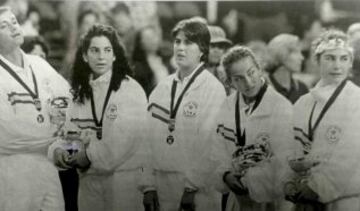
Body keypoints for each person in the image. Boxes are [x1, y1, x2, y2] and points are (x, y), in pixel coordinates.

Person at [51, 24, 153, 211]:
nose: (101, 56)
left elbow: (123, 142)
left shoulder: (130, 90)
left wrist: (88, 156)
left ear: (114, 55)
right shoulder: (80, 95)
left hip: (124, 183)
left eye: (107, 50)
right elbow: (70, 136)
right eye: (95, 50)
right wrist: (62, 151)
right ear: (84, 55)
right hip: (89, 186)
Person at [147, 18, 226, 211]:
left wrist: (191, 188)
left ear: (203, 50)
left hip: (198, 190)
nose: (180, 48)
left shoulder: (213, 89)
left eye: (188, 42)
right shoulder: (162, 88)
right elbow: (145, 140)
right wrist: (147, 185)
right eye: (177, 42)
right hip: (161, 184)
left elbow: (210, 144)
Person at [0, 6, 70, 210]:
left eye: (14, 22)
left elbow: (69, 101)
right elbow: (7, 134)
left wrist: (62, 132)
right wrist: (53, 137)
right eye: (4, 26)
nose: (13, 28)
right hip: (12, 173)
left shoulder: (39, 64)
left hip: (48, 170)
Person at [285, 29, 360, 210]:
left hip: (343, 199)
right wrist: (289, 182)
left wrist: (316, 187)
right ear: (316, 60)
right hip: (303, 196)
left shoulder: (357, 100)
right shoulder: (303, 102)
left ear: (351, 63)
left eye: (343, 59)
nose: (337, 66)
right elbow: (288, 147)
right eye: (330, 58)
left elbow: (350, 157)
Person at [214, 46, 294, 211]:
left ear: (260, 69)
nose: (248, 82)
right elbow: (217, 150)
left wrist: (250, 180)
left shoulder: (281, 107)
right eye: (239, 78)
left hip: (272, 200)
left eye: (251, 73)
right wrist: (225, 175)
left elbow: (285, 162)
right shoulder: (227, 106)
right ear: (229, 82)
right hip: (237, 199)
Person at [132, 25, 173, 97]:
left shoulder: (165, 59)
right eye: (148, 38)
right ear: (141, 43)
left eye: (154, 37)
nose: (153, 41)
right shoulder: (138, 67)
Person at [267, 34, 308, 104]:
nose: (302, 57)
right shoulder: (263, 88)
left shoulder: (302, 89)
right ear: (282, 54)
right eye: (296, 52)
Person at [207, 25, 233, 95]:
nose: (217, 50)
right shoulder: (191, 74)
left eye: (220, 47)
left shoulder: (224, 76)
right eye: (212, 46)